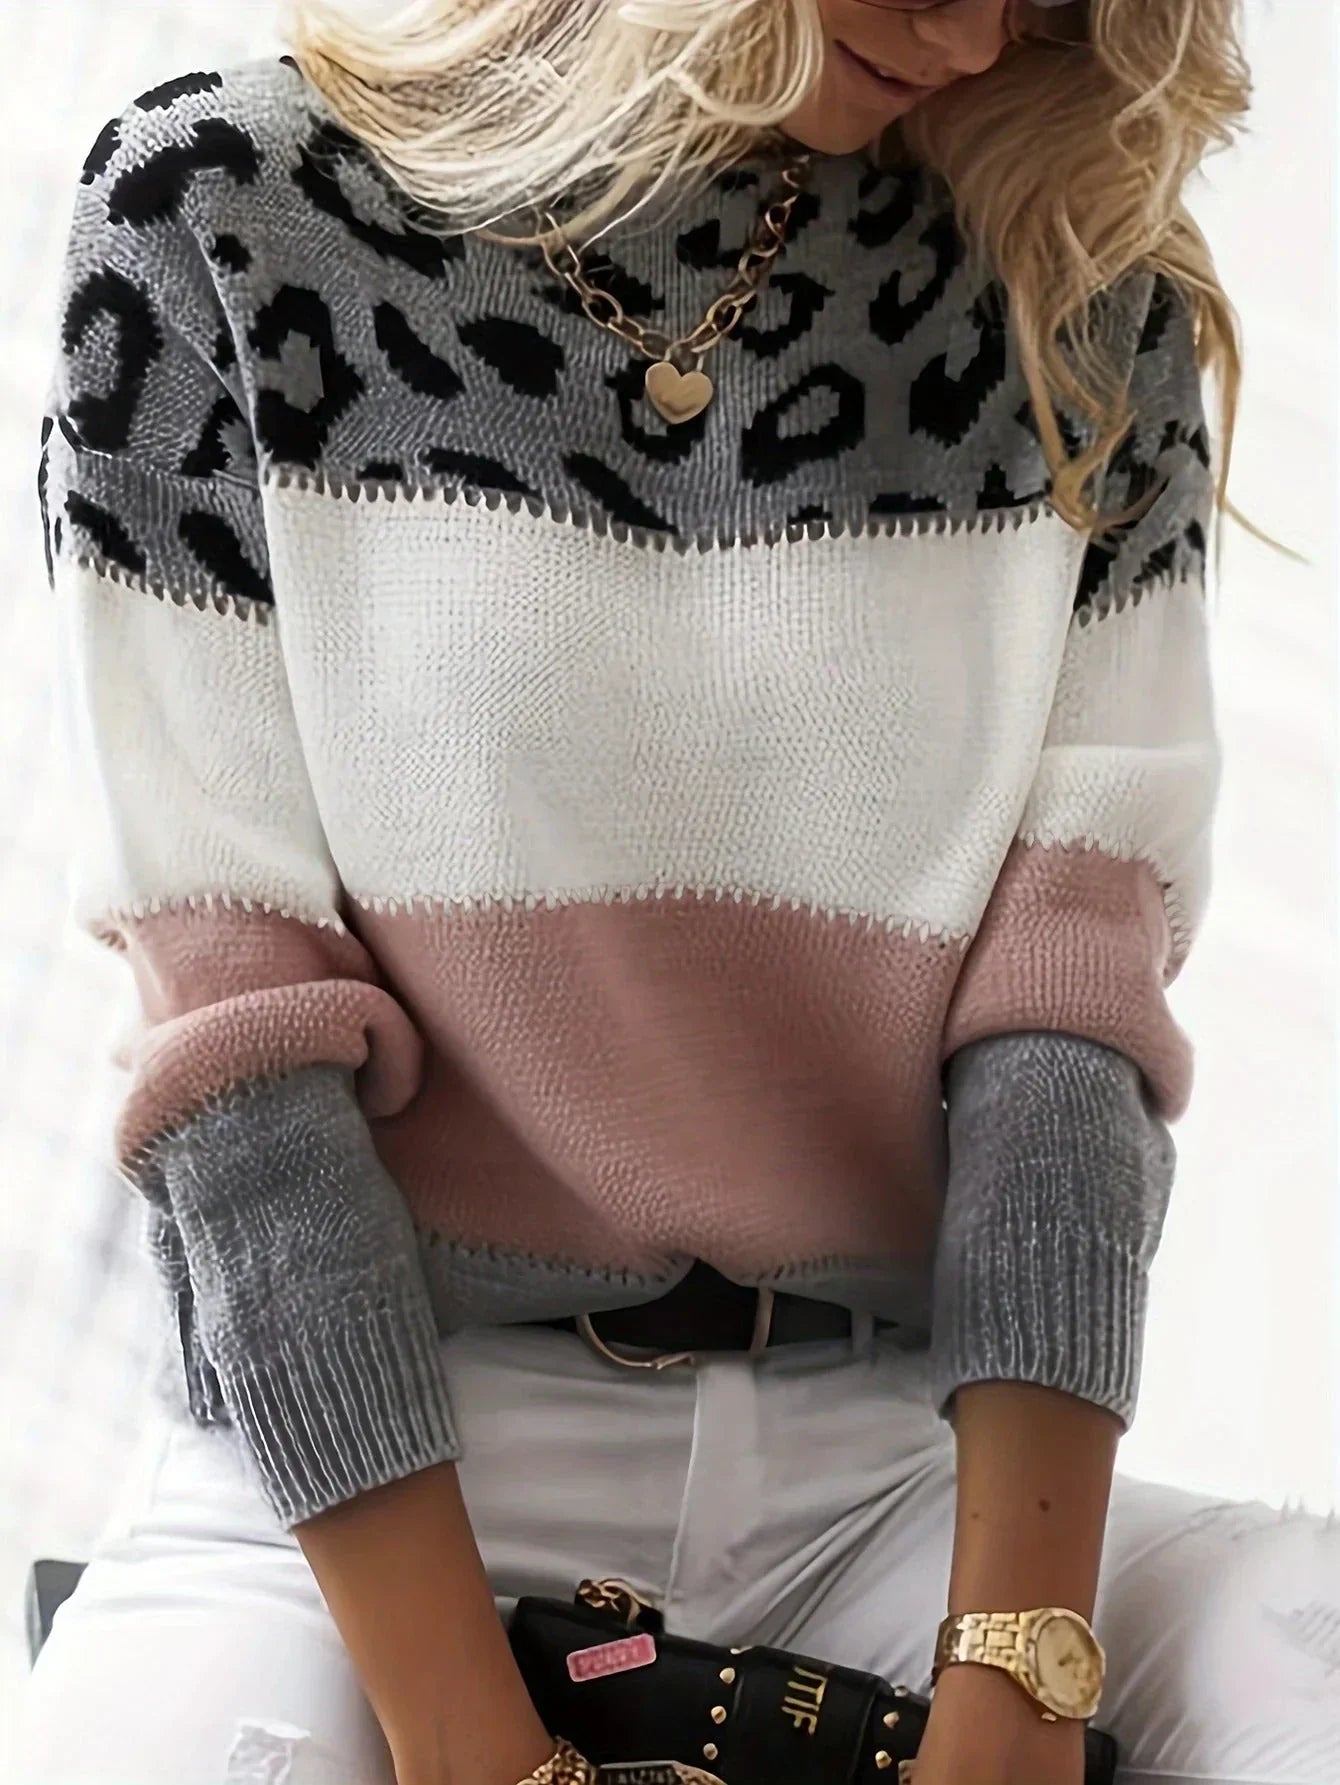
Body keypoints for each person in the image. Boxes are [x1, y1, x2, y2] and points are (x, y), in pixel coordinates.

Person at [13, 1, 1338, 1782]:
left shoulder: (1075, 296)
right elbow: (240, 1058)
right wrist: (485, 1755)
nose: (971, 43)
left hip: (890, 1479)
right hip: (355, 1495)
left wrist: (1014, 1697)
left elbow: (1067, 1037)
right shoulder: (219, 212)